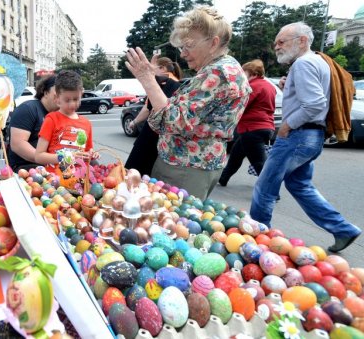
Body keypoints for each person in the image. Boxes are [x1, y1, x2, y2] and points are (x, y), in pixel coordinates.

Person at [250, 22, 361, 253]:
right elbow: (313, 98)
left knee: (265, 187)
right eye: (276, 43)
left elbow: (314, 103)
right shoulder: (316, 62)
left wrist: (287, 125)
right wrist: (286, 85)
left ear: (302, 41)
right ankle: (343, 229)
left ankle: (256, 240)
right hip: (311, 137)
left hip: (298, 136)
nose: (276, 47)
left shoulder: (303, 64)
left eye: (281, 42)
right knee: (299, 185)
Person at [125, 6, 250, 200]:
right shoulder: (225, 67)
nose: (183, 54)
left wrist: (147, 79)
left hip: (185, 168)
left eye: (188, 46)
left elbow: (174, 120)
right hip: (194, 165)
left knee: (169, 222)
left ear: (213, 43)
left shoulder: (217, 73)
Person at [218, 59, 276, 186]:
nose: (242, 77)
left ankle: (270, 189)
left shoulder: (252, 87)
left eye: (244, 74)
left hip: (252, 128)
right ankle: (223, 178)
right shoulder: (269, 86)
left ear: (253, 73)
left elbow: (242, 105)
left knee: (259, 163)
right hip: (266, 127)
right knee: (236, 155)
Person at [125, 56, 183, 175]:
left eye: (153, 68)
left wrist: (134, 122)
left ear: (162, 68)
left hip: (151, 135)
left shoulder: (162, 84)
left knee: (134, 173)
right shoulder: (180, 84)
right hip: (167, 140)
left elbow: (148, 109)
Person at [35, 70, 99, 174]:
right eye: (67, 100)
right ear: (57, 98)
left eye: (76, 99)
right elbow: (39, 156)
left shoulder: (86, 123)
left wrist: (92, 154)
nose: (72, 104)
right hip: (55, 181)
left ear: (81, 94)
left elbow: (87, 151)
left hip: (80, 179)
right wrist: (66, 157)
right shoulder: (51, 119)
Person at [7, 75, 58, 171]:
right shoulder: (28, 109)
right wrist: (49, 160)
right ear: (46, 92)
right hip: (27, 168)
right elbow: (18, 145)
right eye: (58, 91)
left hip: (54, 166)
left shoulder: (61, 114)